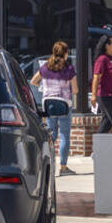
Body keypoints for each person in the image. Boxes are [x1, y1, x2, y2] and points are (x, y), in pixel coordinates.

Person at [30, 41, 78, 174]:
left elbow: (33, 81)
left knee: (51, 135)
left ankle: (48, 165)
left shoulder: (45, 67)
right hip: (64, 105)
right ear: (65, 54)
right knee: (64, 136)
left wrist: (44, 89)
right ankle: (63, 168)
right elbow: (75, 90)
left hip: (48, 105)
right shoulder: (69, 69)